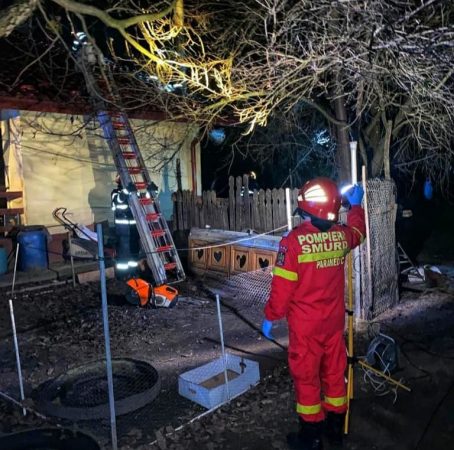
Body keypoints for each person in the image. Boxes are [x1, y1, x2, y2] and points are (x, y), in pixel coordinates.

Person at [261, 177, 365, 450]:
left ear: (305, 208)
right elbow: (358, 232)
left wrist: (270, 316)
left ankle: (311, 438)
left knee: (307, 380)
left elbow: (282, 291)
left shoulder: (293, 243)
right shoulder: (341, 235)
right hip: (333, 324)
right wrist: (356, 206)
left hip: (305, 329)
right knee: (335, 374)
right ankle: (335, 431)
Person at [111, 174, 140, 277]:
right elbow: (118, 201)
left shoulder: (133, 192)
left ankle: (133, 273)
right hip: (122, 229)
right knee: (123, 252)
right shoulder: (115, 193)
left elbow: (143, 201)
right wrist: (126, 191)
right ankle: (122, 275)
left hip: (134, 229)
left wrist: (152, 192)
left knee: (134, 251)